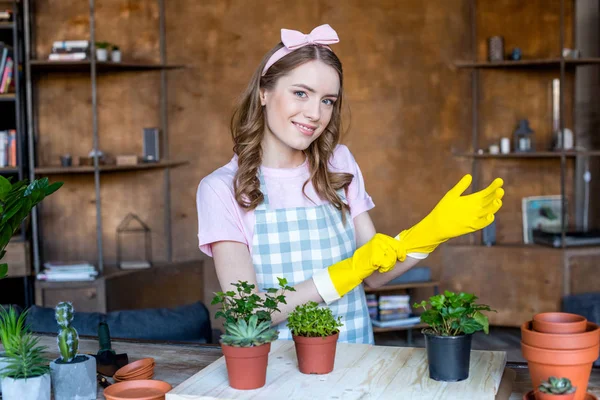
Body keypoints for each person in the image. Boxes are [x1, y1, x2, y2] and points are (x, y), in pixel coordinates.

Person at [196, 24, 504, 344]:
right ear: (263, 92)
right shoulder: (221, 189)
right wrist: (342, 274)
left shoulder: (338, 165)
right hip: (277, 370)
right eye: (300, 93)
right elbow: (246, 312)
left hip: (356, 356)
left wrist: (430, 232)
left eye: (328, 100)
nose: (315, 113)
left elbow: (374, 275)